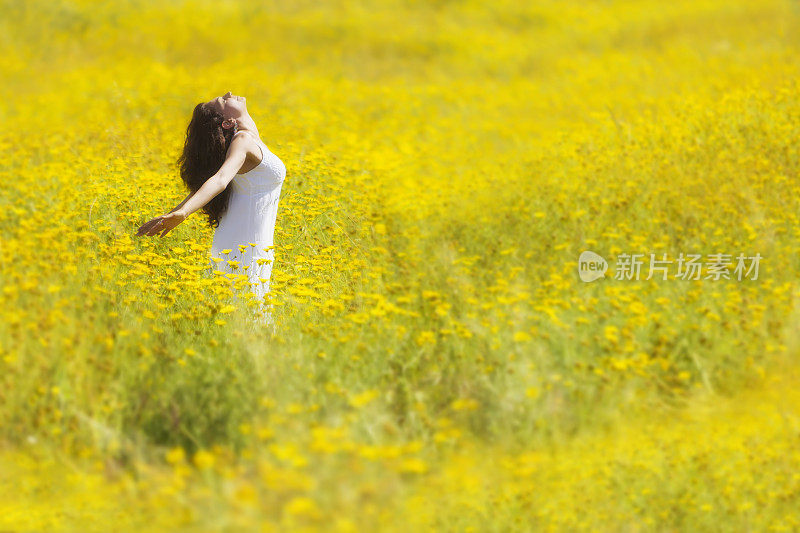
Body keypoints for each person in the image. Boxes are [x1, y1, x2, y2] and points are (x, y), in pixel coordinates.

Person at [135, 91, 286, 326]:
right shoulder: (243, 141)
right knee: (250, 317)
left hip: (247, 239)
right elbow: (220, 180)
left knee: (248, 314)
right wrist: (182, 213)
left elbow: (211, 182)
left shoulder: (249, 138)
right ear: (227, 122)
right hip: (245, 243)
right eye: (223, 101)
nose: (228, 94)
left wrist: (178, 210)